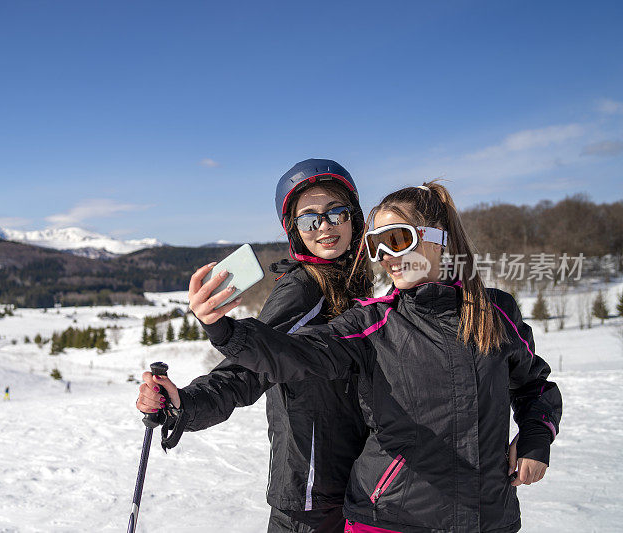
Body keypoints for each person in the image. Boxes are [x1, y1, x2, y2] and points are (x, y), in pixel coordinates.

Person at [184, 182, 561, 533]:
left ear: (438, 238)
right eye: (378, 245)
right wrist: (225, 330)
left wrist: (535, 434)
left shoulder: (496, 313)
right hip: (389, 517)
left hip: (489, 516)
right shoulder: (374, 322)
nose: (387, 257)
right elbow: (295, 353)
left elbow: (536, 385)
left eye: (397, 239)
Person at [137, 159, 374, 532]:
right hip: (310, 497)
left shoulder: (354, 283)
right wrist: (185, 402)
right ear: (295, 231)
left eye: (336, 212)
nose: (324, 226)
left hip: (355, 486)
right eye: (309, 219)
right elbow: (249, 369)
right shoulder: (304, 287)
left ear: (354, 218)